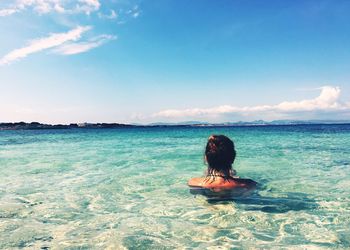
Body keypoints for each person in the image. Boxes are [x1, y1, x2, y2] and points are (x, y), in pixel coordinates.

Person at [188, 135, 257, 198]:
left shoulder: (193, 182)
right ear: (233, 157)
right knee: (233, 174)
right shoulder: (249, 184)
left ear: (206, 158)